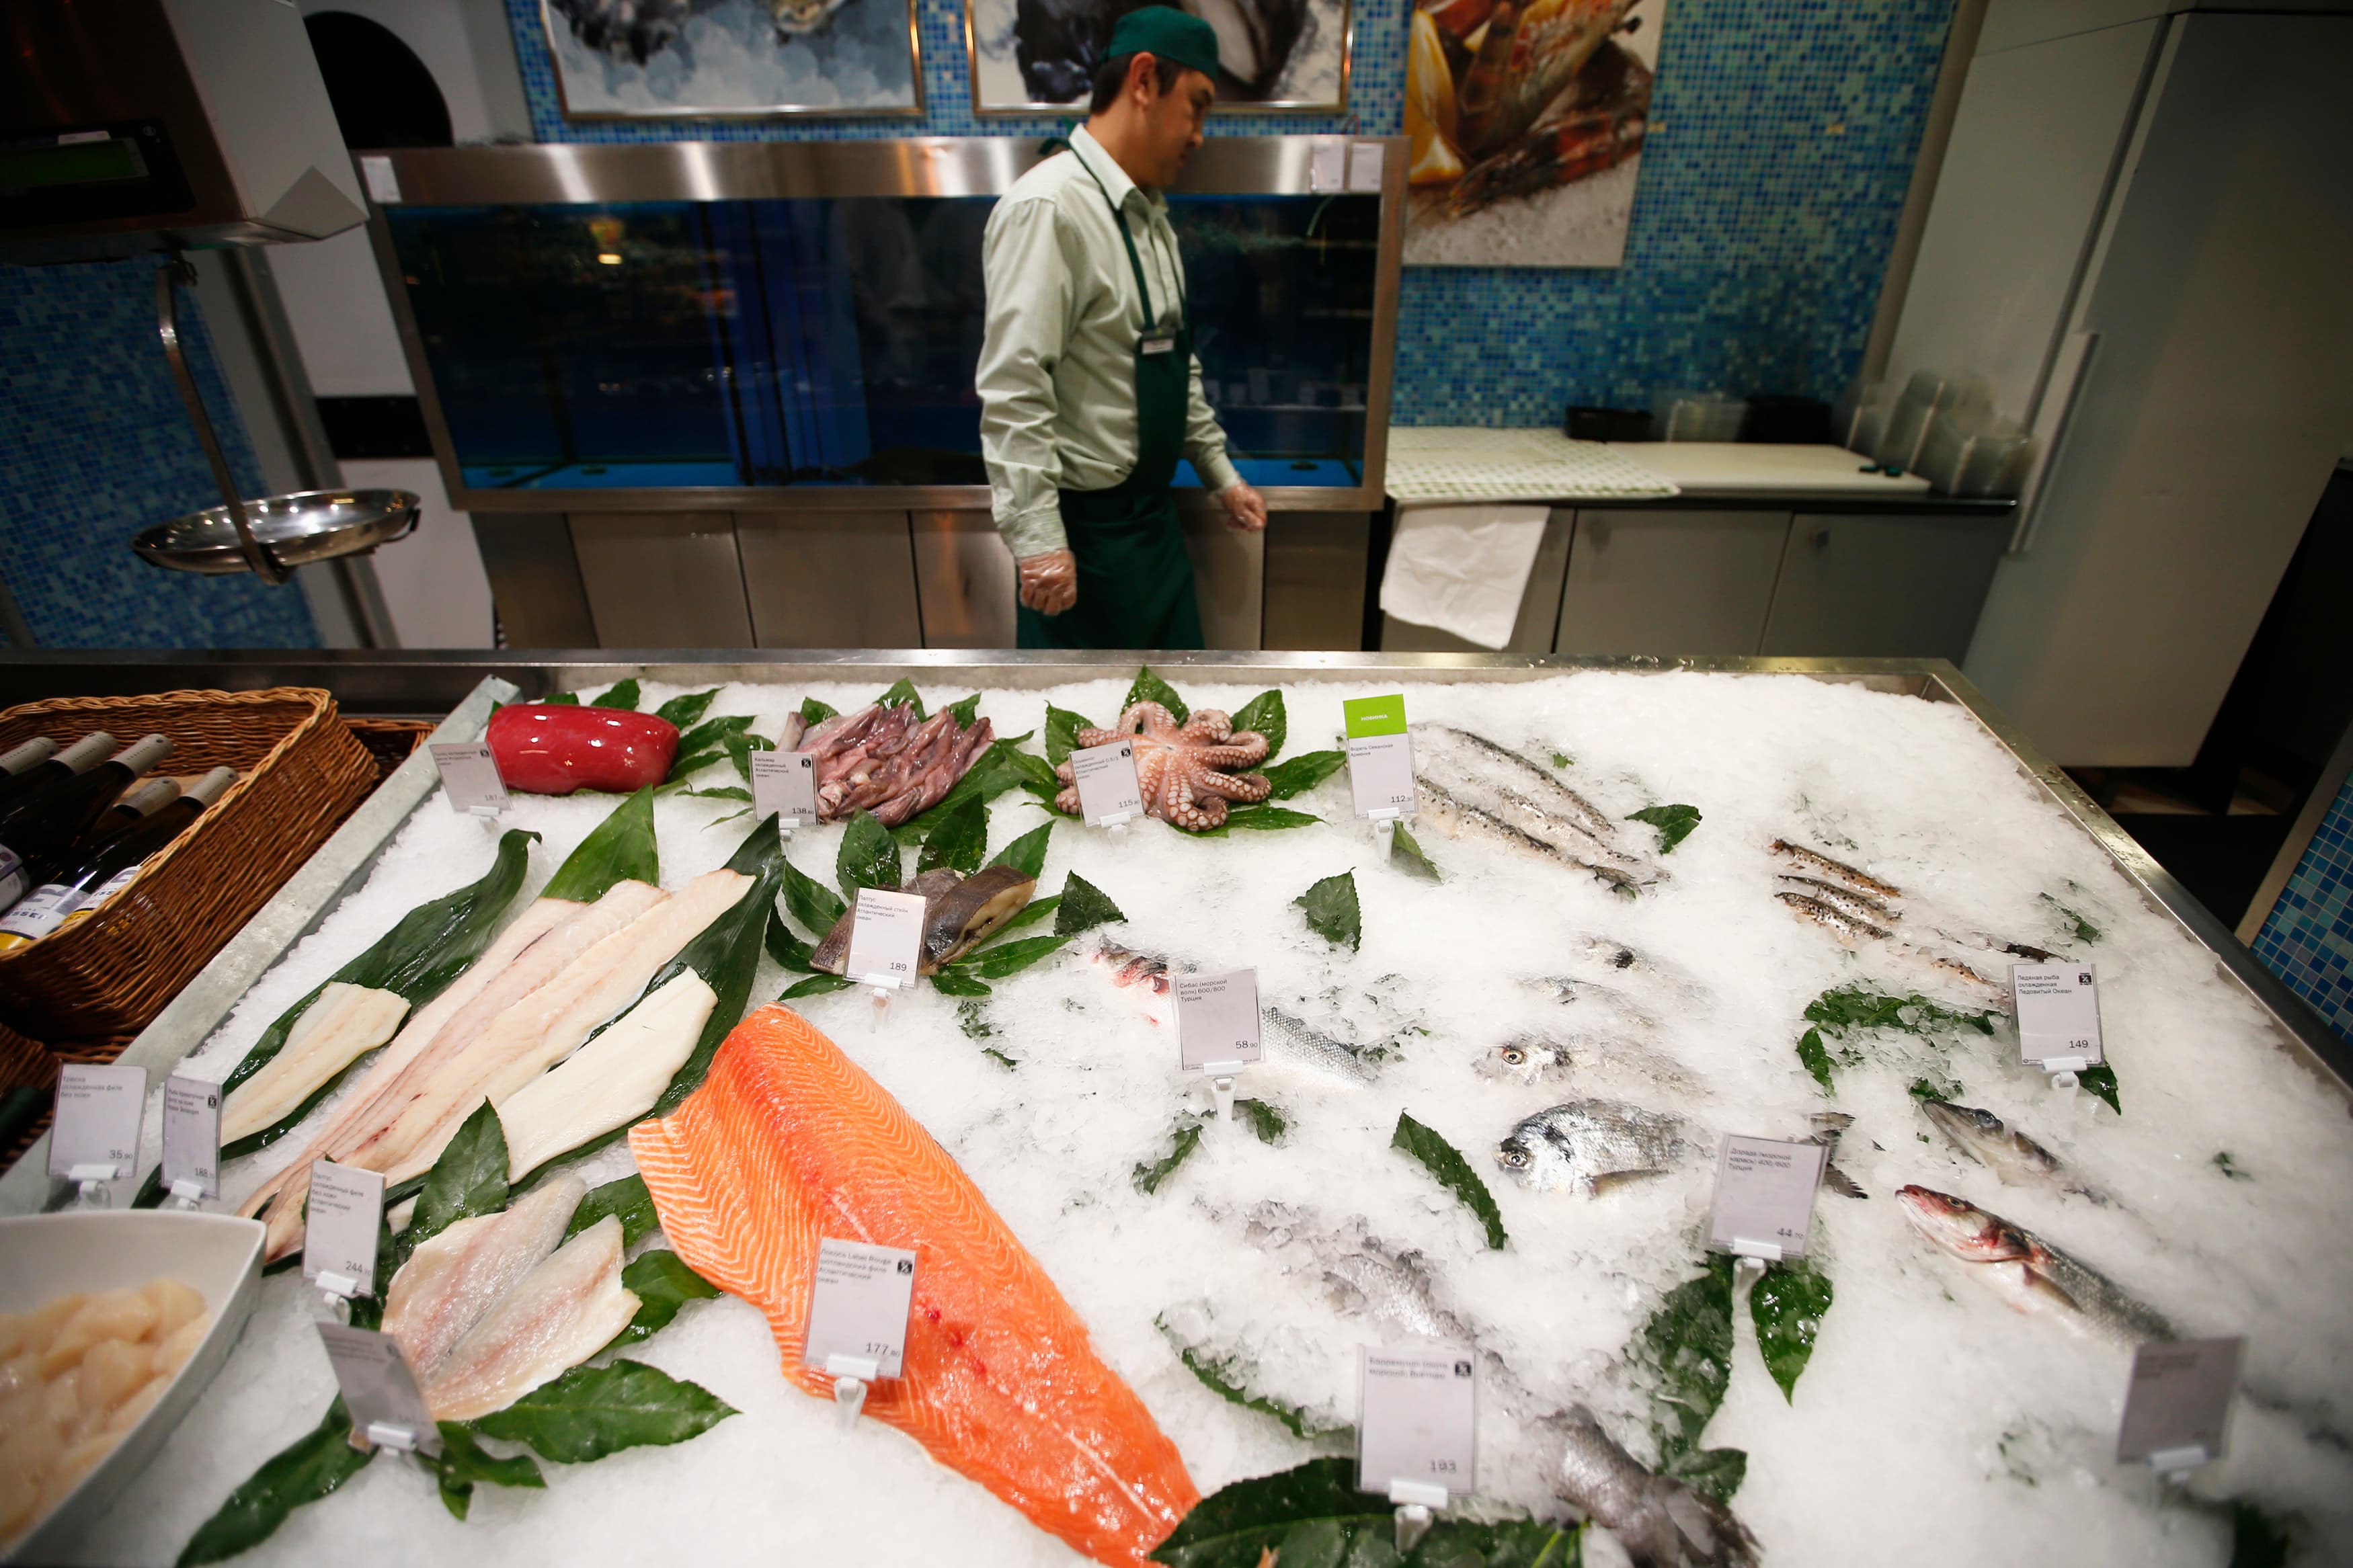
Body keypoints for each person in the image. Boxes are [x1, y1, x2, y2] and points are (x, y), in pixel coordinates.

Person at [975, 4, 1268, 650]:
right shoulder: (1048, 209)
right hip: (1083, 544)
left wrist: (1219, 472)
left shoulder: (1150, 217)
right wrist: (1040, 540)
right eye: (1197, 106)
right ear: (1143, 80)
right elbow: (1015, 387)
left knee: (1178, 731)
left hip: (1152, 531)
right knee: (1083, 740)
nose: (1200, 136)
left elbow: (1174, 363)